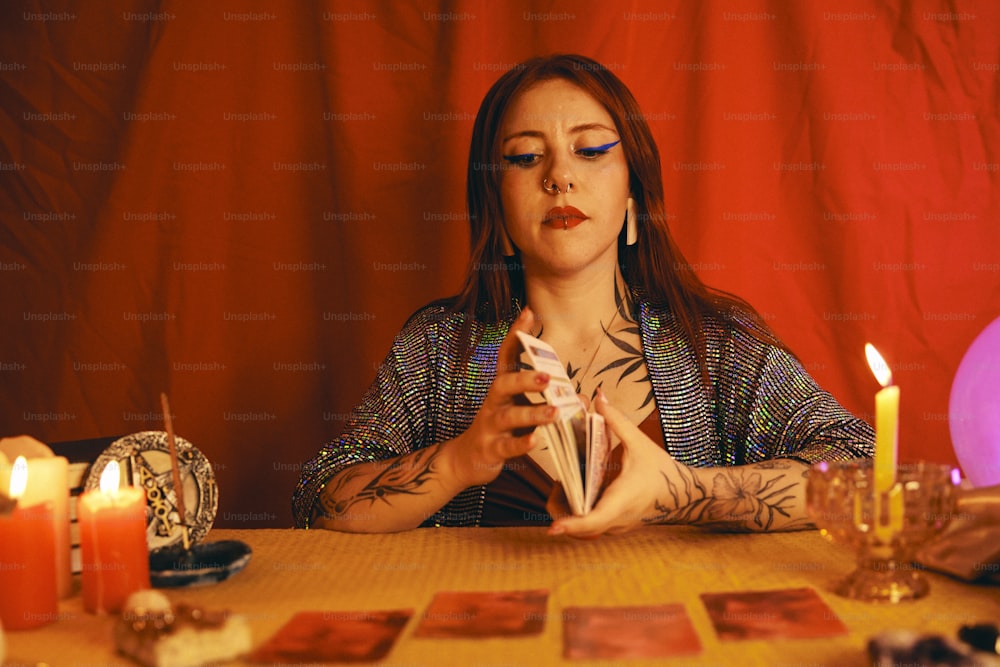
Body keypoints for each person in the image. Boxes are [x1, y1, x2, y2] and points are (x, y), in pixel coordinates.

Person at [292, 53, 874, 537]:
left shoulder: (714, 343)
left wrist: (685, 491)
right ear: (495, 204)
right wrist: (460, 460)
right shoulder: (438, 348)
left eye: (591, 150)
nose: (559, 176)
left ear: (633, 195)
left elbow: (871, 471)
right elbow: (320, 499)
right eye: (525, 156)